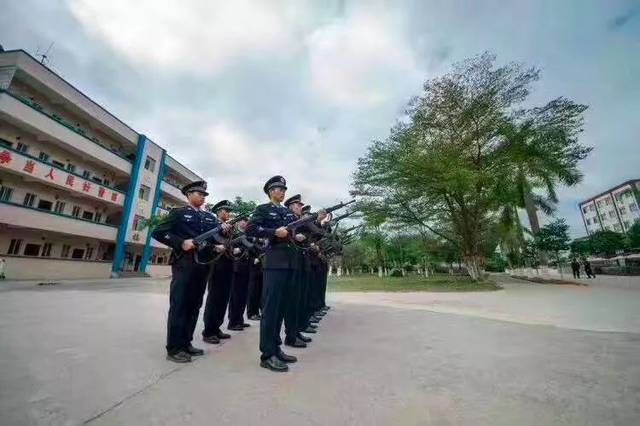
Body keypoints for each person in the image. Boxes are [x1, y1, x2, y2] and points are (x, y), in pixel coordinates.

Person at [151, 181, 229, 363]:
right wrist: (181, 242)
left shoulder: (209, 218)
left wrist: (216, 246)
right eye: (199, 193)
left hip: (203, 264)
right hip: (184, 264)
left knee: (194, 305)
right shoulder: (178, 213)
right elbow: (159, 232)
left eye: (204, 194)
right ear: (189, 194)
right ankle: (174, 348)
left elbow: (210, 239)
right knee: (180, 304)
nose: (202, 197)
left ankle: (186, 343)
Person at [245, 175, 302, 372]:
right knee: (270, 309)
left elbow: (292, 233)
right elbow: (250, 229)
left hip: (290, 263)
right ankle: (267, 354)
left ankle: (276, 348)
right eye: (278, 188)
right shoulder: (263, 210)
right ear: (270, 191)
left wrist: (296, 235)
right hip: (274, 263)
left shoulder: (287, 212)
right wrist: (273, 232)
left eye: (284, 189)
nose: (282, 191)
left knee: (281, 308)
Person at [202, 200, 236, 344]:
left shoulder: (228, 227)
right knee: (214, 297)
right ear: (218, 212)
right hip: (216, 263)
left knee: (224, 297)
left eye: (228, 211)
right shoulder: (212, 224)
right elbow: (208, 241)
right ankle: (209, 331)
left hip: (228, 263)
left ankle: (217, 327)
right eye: (224, 210)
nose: (227, 213)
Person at [227, 217, 252, 331]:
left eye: (246, 221)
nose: (244, 223)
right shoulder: (234, 234)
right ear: (238, 222)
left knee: (243, 296)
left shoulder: (248, 235)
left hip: (246, 267)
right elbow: (229, 246)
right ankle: (233, 321)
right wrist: (234, 250)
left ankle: (239, 320)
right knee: (236, 296)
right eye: (242, 220)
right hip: (237, 267)